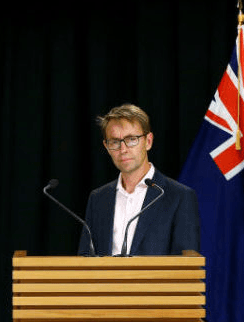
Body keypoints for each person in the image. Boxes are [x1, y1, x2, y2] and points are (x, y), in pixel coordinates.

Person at [78, 104, 199, 256]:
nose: (123, 149)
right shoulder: (98, 198)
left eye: (131, 139)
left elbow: (188, 266)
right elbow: (84, 258)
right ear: (106, 147)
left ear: (148, 141)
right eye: (115, 142)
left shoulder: (178, 196)